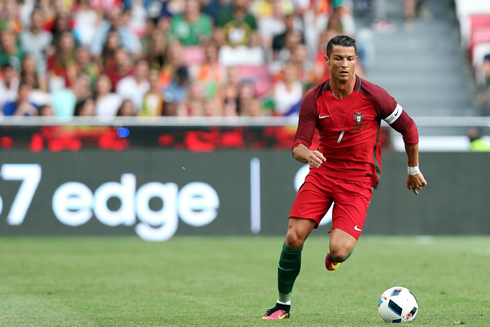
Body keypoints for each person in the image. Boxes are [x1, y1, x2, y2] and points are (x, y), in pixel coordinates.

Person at [262, 35, 428, 320]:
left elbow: (408, 127)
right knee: (293, 237)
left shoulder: (374, 96)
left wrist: (412, 169)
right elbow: (298, 146)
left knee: (338, 251)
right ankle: (282, 305)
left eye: (350, 58)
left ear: (356, 62)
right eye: (338, 58)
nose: (344, 64)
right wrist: (308, 154)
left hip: (358, 180)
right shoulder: (314, 99)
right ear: (326, 61)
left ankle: (334, 259)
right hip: (323, 173)